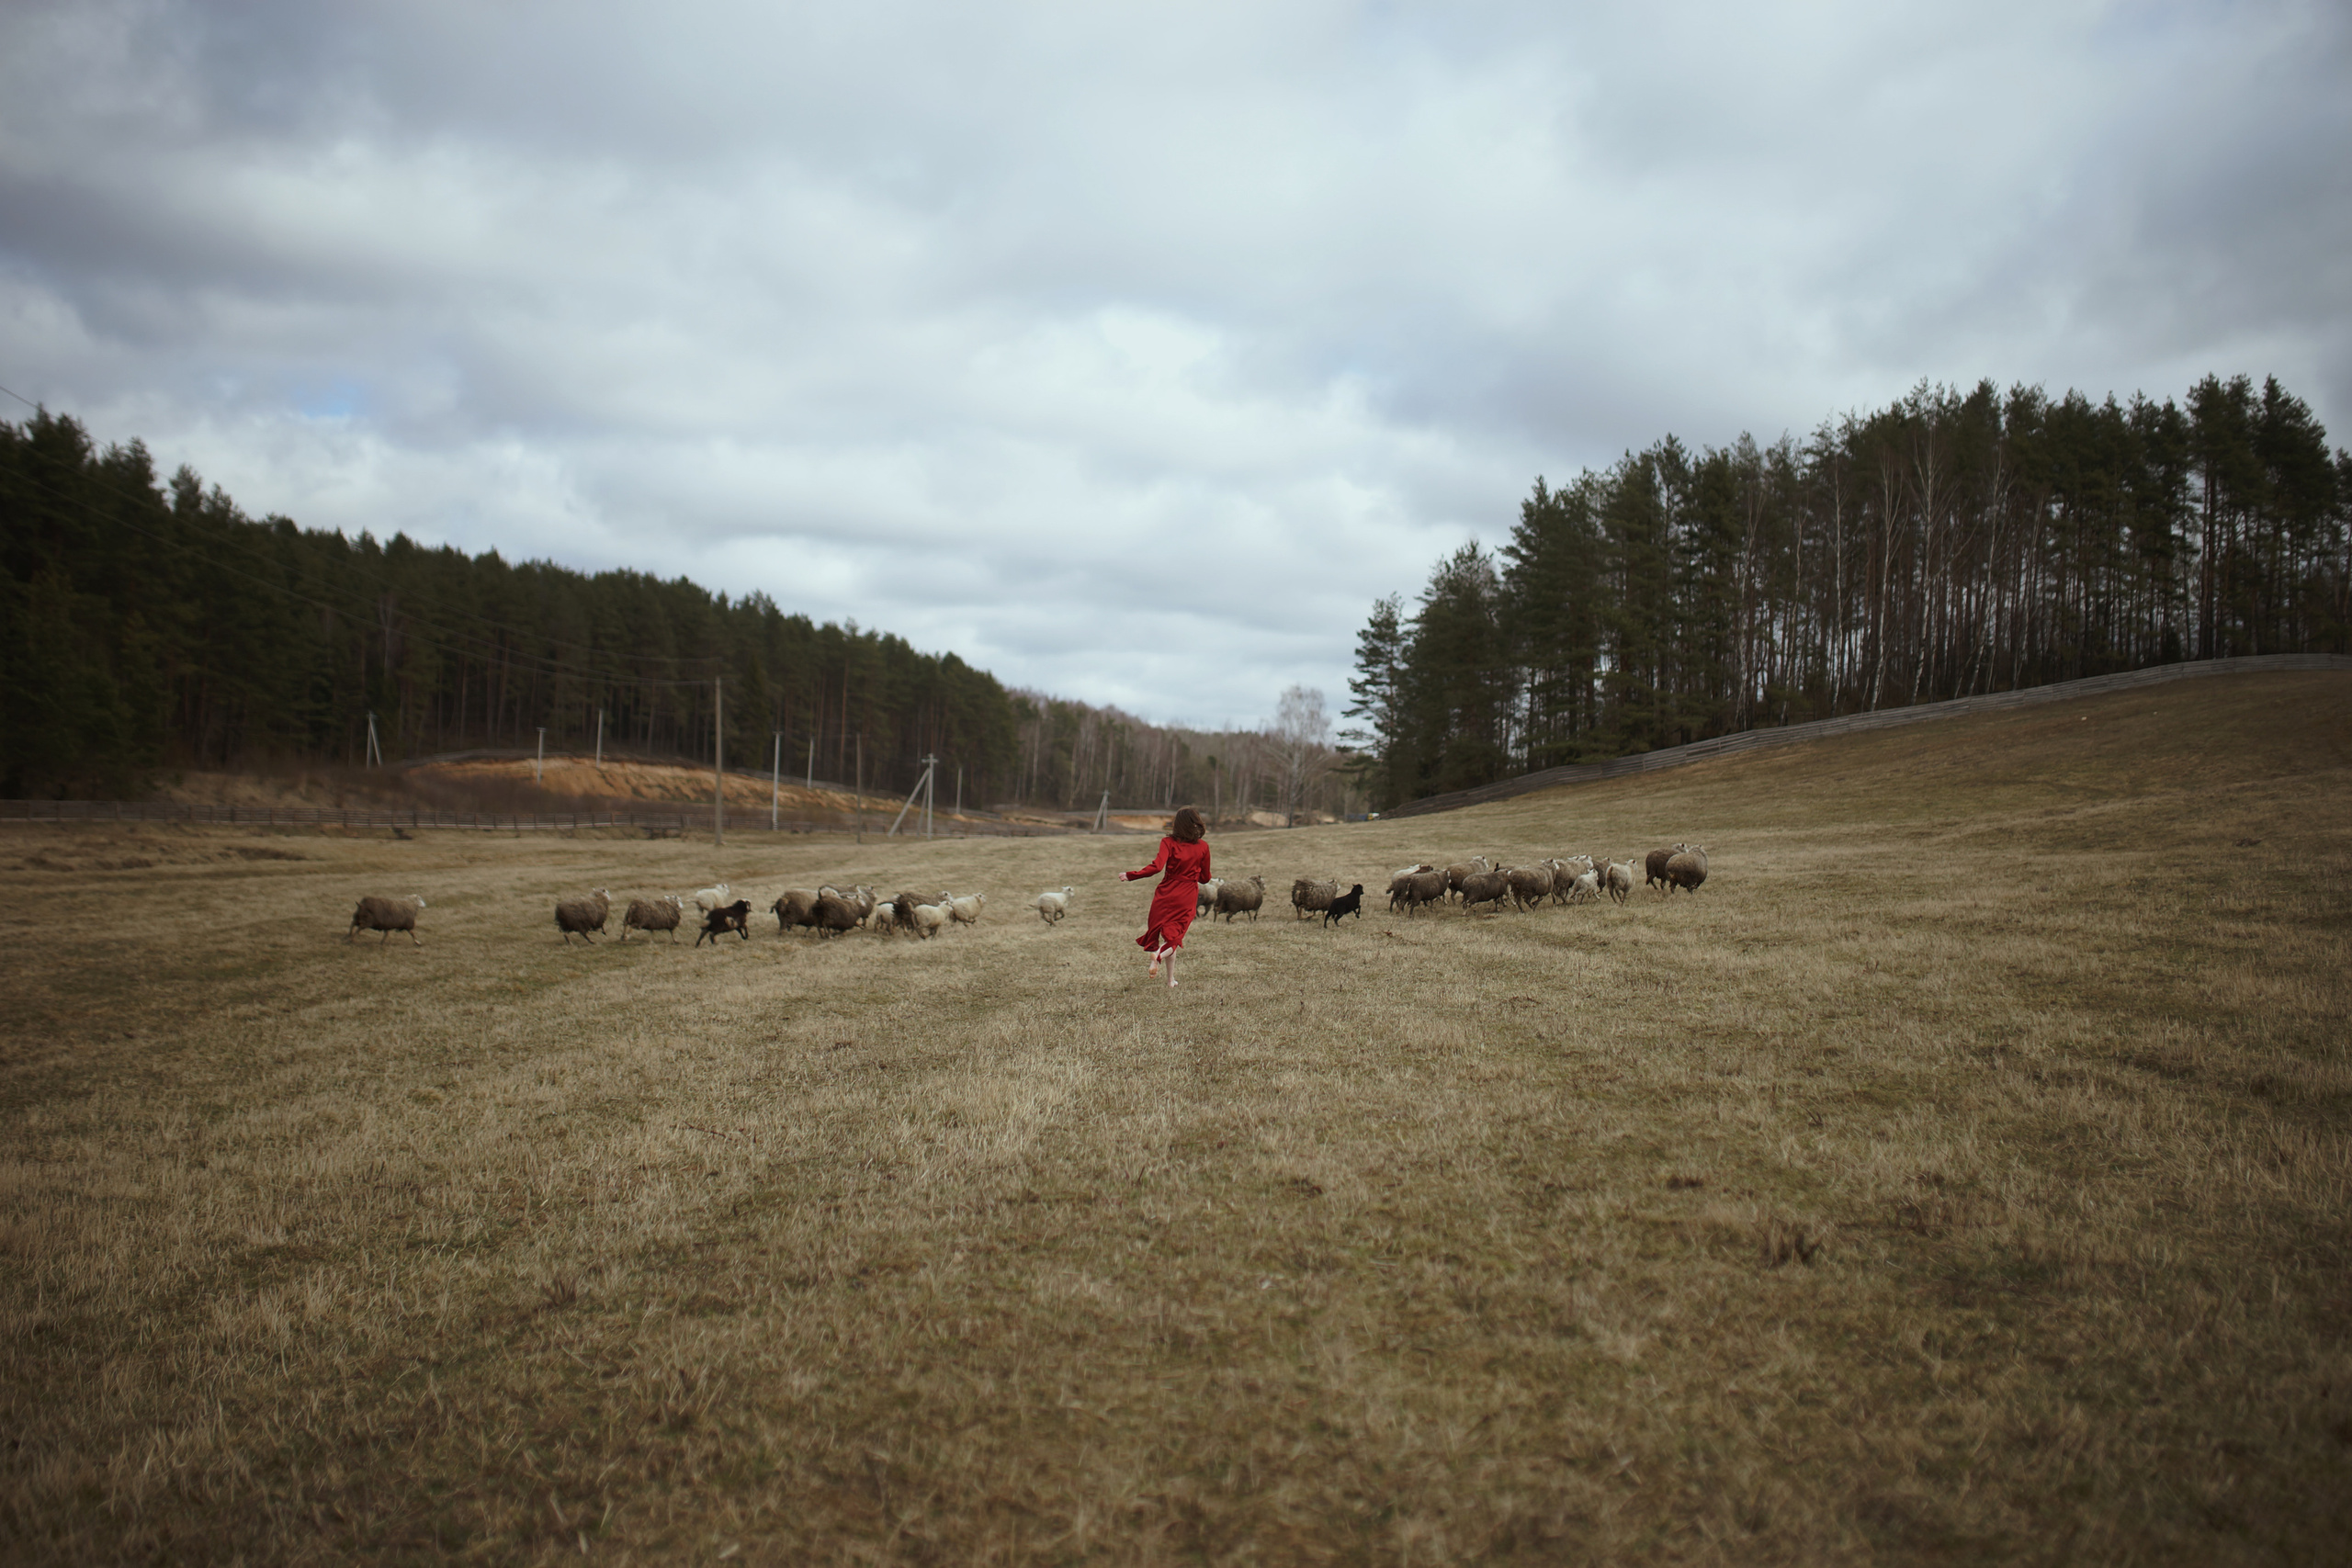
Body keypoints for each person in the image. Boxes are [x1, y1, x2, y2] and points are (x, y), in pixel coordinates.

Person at [1119, 805, 1210, 987]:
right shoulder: (1203, 847)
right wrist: (1194, 873)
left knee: (1170, 938)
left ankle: (1170, 980)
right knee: (1174, 938)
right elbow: (1206, 878)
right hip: (1186, 895)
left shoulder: (1167, 842)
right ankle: (1158, 956)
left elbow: (1157, 867)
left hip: (1166, 893)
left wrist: (1131, 875)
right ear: (1196, 823)